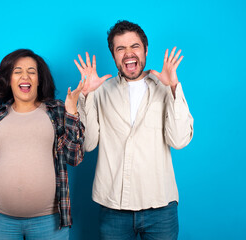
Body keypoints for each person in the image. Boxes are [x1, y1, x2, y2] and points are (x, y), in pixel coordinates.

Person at [74, 20, 194, 239]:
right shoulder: (101, 91)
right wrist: (86, 96)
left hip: (161, 207)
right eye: (121, 48)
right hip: (113, 209)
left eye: (134, 46)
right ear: (114, 56)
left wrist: (174, 87)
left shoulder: (165, 88)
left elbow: (179, 140)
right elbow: (87, 144)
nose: (128, 53)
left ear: (145, 50)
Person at [0, 49, 85, 240]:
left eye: (32, 71)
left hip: (50, 221)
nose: (25, 76)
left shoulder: (57, 112)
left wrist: (71, 113)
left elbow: (75, 158)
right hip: (1, 222)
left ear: (39, 79)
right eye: (17, 71)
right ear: (9, 79)